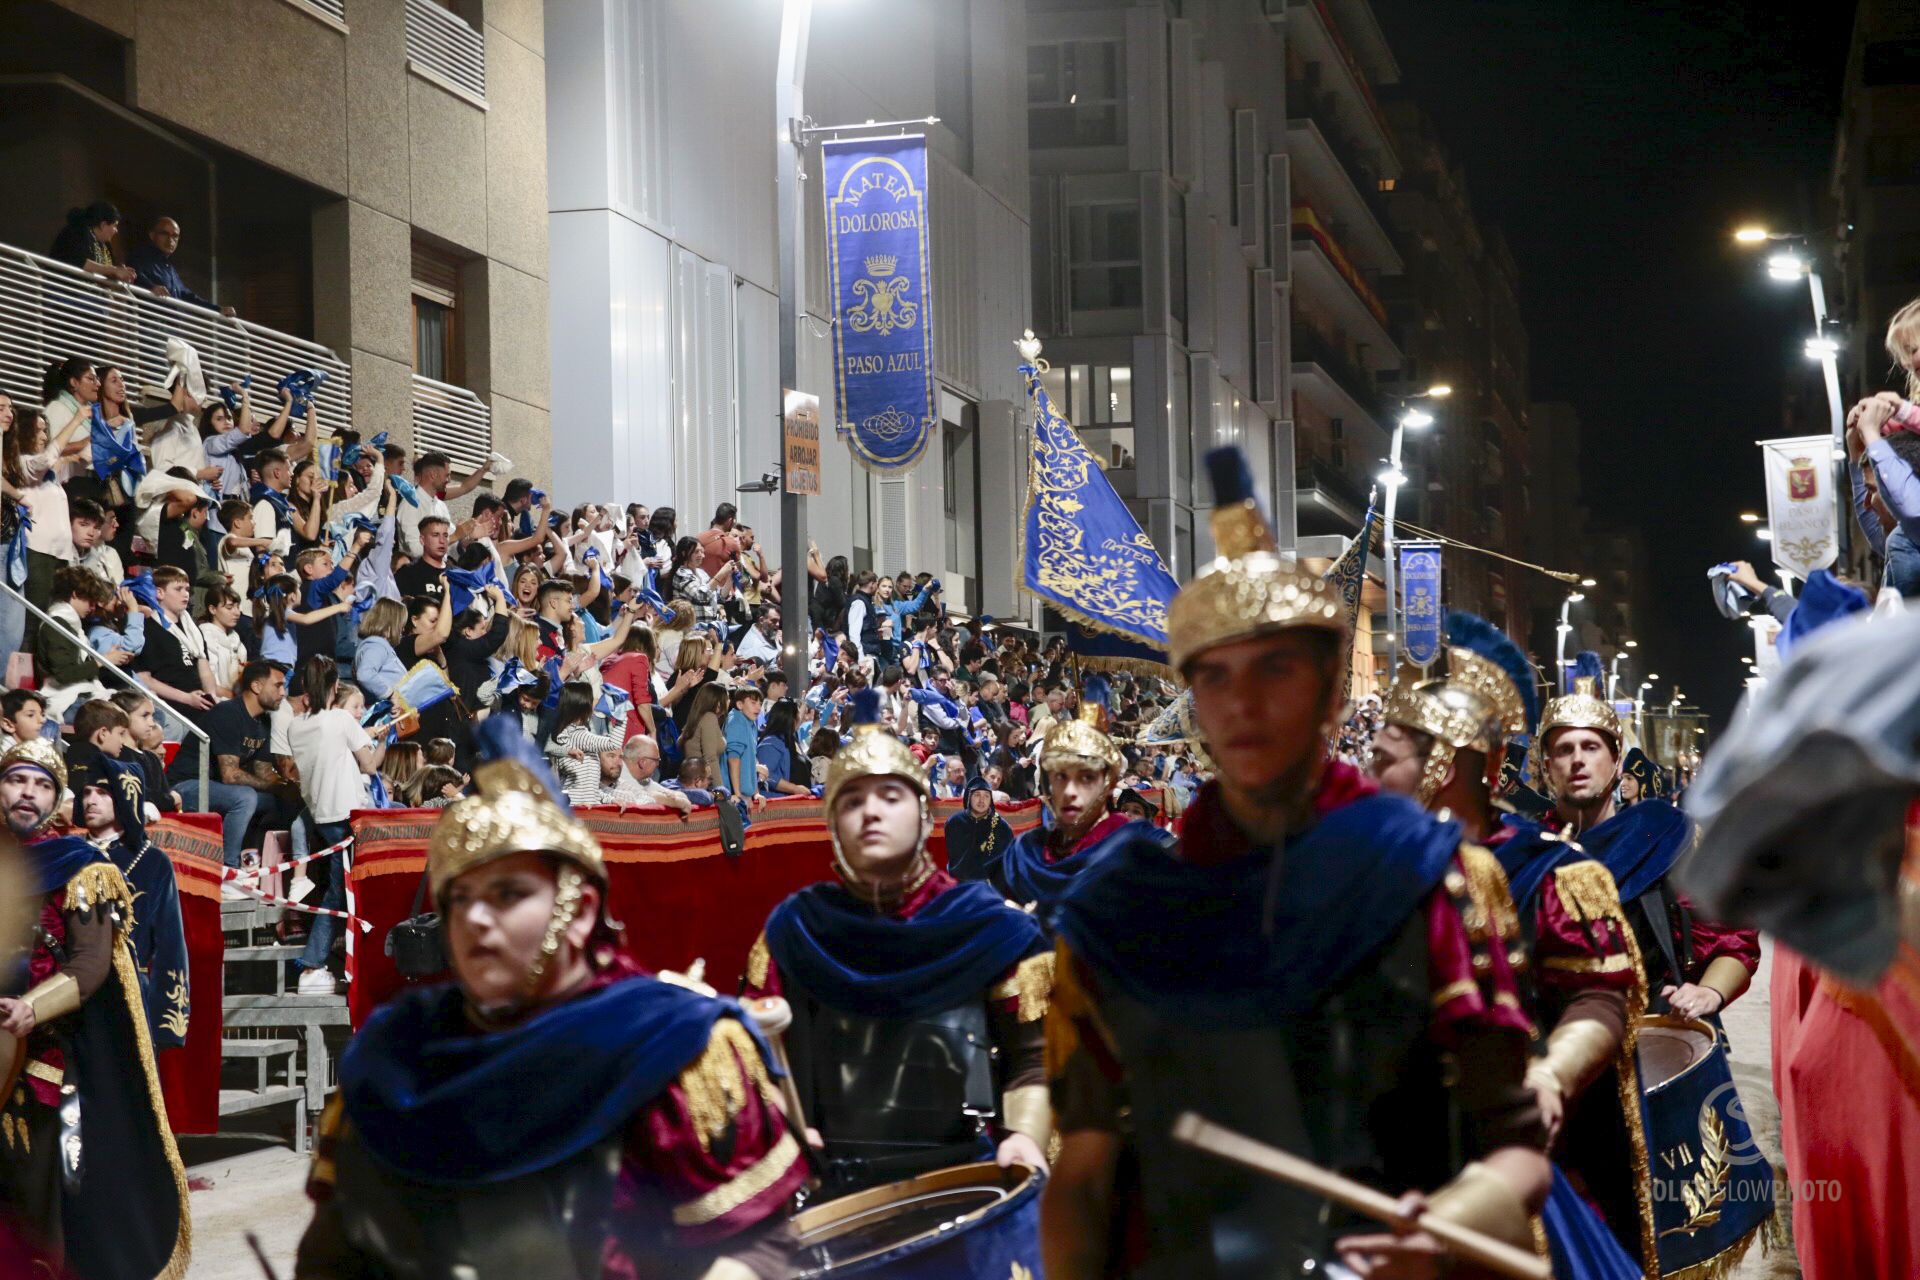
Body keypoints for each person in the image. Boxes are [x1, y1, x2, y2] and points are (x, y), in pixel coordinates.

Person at [1041, 448, 1549, 1278]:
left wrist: (1445, 1231)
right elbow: (1086, 1177)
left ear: (1329, 691)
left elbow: (1517, 1150)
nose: (1242, 703)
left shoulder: (1428, 876)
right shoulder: (1124, 913)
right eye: (1215, 676)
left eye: (1275, 668)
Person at [294, 728, 806, 1275]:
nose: (475, 919)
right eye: (459, 898)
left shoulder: (677, 1047)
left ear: (581, 909)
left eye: (508, 894)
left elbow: (760, 1247)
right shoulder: (396, 1055)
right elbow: (332, 1255)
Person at [1372, 614, 1649, 1279]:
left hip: (1519, 1157)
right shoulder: (1360, 866)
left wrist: (1551, 1074)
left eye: (1383, 759)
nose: (1367, 773)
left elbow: (1600, 995)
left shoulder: (1547, 868)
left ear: (1442, 760)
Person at [743, 687, 1053, 1198]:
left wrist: (1023, 1137)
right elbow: (759, 1065)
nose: (871, 813)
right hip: (833, 1183)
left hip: (970, 1178)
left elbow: (1035, 1058)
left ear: (925, 815)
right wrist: (785, 1133)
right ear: (833, 823)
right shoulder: (795, 930)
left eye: (890, 797)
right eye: (853, 801)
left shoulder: (995, 930)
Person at [0, 739, 190, 1279]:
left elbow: (90, 964)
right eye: (17, 780)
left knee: (36, 1207)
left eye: (42, 785)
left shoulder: (80, 865)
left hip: (42, 1059)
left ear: (55, 801)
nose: (27, 794)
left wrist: (30, 1010)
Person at [995, 675, 1158, 920]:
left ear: (1106, 783)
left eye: (1085, 778)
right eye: (1061, 777)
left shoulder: (1136, 845)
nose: (1071, 791)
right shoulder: (1024, 854)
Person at [70, 754, 190, 1051]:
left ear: (125, 796)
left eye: (102, 792)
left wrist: (167, 1022)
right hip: (71, 999)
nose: (90, 800)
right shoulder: (68, 856)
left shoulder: (152, 862)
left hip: (132, 998)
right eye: (86, 792)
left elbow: (170, 944)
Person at [286, 657, 385, 995]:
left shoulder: (295, 725)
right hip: (347, 815)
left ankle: (323, 961)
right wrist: (383, 739)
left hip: (321, 816)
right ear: (333, 687)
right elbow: (369, 765)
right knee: (341, 893)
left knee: (338, 891)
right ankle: (313, 965)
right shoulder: (341, 719)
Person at [171, 659, 302, 867]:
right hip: (186, 785)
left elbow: (264, 770)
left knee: (282, 801)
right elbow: (230, 775)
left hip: (219, 789)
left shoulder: (263, 720)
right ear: (256, 686)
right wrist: (275, 786)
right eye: (278, 685)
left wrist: (286, 788)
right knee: (246, 797)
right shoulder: (228, 713)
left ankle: (254, 865)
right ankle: (228, 868)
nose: (283, 693)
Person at [125, 215, 235, 316]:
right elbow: (132, 274)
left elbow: (187, 296)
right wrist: (151, 287)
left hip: (171, 330)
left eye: (175, 236)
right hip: (149, 326)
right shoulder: (140, 256)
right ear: (152, 235)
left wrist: (218, 309)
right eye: (164, 234)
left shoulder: (170, 269)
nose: (170, 240)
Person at [944, 775, 1014, 884]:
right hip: (959, 883)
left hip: (990, 885)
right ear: (968, 796)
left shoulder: (1001, 826)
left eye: (986, 796)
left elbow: (1006, 862)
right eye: (977, 795)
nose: (982, 800)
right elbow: (955, 860)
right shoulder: (954, 822)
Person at [48, 201, 135, 282]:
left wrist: (119, 274)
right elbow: (81, 262)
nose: (116, 231)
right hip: (65, 291)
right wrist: (114, 270)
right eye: (115, 226)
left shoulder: (106, 246)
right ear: (103, 225)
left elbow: (105, 271)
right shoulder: (77, 232)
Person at [604, 735, 694, 814]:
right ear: (642, 762)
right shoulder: (617, 774)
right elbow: (641, 799)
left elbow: (670, 794)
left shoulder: (643, 779)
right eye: (656, 760)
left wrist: (675, 798)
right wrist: (671, 801)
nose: (658, 764)